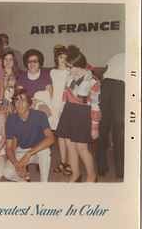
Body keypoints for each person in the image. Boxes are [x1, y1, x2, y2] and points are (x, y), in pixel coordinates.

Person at [56, 52, 101, 182]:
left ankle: (92, 176)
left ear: (78, 66)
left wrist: (94, 127)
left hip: (83, 113)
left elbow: (95, 105)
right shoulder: (71, 75)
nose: (68, 70)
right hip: (69, 110)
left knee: (81, 148)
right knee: (69, 145)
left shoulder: (93, 81)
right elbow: (65, 93)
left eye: (70, 67)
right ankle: (76, 174)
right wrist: (62, 109)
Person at [3, 89, 54, 182]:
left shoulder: (40, 115)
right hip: (22, 150)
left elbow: (50, 139)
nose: (20, 104)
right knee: (7, 173)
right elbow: (9, 148)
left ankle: (44, 184)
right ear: (14, 103)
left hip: (38, 150)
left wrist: (28, 154)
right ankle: (25, 179)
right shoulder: (10, 121)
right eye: (17, 101)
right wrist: (16, 164)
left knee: (45, 152)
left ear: (28, 102)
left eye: (23, 100)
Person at [96, 52, 125, 179]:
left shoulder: (118, 55)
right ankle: (120, 170)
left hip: (106, 85)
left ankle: (101, 167)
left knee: (103, 127)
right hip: (121, 87)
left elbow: (102, 74)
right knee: (119, 129)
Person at [50, 48, 72, 176]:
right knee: (60, 135)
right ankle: (63, 160)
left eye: (65, 57)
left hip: (66, 107)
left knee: (68, 136)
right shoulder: (52, 72)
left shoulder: (70, 72)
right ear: (56, 59)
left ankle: (70, 162)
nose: (63, 60)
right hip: (55, 105)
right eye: (60, 57)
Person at [2, 51, 20, 117]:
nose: (8, 62)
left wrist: (15, 94)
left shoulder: (17, 75)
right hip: (2, 104)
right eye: (6, 59)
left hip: (14, 104)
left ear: (14, 61)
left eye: (10, 59)